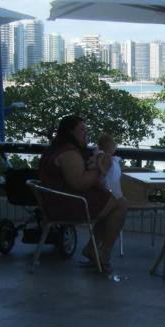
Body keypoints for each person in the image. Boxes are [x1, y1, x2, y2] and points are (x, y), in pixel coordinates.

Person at [38, 115, 127, 273]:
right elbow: (79, 183)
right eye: (82, 130)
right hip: (65, 205)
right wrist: (101, 168)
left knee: (111, 202)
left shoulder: (55, 149)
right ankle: (103, 254)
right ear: (70, 132)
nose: (85, 133)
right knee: (120, 204)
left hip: (54, 202)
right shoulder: (68, 153)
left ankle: (93, 249)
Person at [97, 133, 123, 199]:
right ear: (109, 147)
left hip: (111, 183)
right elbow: (98, 162)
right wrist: (103, 171)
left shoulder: (110, 157)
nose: (114, 149)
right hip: (106, 184)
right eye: (114, 147)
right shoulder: (103, 155)